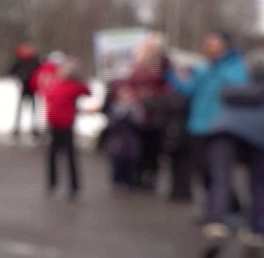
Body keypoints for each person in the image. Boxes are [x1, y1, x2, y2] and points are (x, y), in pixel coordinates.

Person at [166, 31, 248, 210]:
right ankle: (218, 207)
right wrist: (169, 72)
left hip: (220, 127)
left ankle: (227, 208)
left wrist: (217, 68)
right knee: (202, 171)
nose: (207, 47)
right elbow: (189, 89)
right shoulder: (203, 67)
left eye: (212, 43)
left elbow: (238, 87)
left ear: (225, 45)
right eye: (206, 43)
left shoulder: (235, 66)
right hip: (197, 126)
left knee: (218, 171)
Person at [199, 52, 264, 258]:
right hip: (258, 137)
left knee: (221, 178)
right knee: (258, 184)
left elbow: (224, 93)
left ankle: (217, 222)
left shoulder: (236, 89)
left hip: (224, 132)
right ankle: (256, 231)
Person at [124, 34, 171, 191]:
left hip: (155, 112)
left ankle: (150, 177)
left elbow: (169, 85)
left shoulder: (163, 65)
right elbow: (129, 83)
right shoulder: (137, 66)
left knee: (153, 147)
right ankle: (137, 176)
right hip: (138, 112)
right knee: (137, 147)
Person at [43, 58, 91, 200]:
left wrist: (76, 75)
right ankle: (52, 184)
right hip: (54, 124)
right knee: (52, 155)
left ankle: (74, 187)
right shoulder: (55, 84)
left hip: (66, 125)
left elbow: (87, 91)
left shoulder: (73, 86)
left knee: (70, 156)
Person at [103, 84, 144, 189]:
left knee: (129, 160)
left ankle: (128, 180)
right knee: (117, 159)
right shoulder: (114, 107)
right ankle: (118, 180)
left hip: (130, 138)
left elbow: (139, 122)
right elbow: (110, 123)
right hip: (117, 138)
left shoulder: (134, 107)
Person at [9, 42, 42, 138]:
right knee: (20, 110)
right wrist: (20, 75)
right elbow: (12, 70)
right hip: (24, 87)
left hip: (32, 88)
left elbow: (41, 70)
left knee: (34, 110)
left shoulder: (35, 61)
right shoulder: (20, 61)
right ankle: (17, 128)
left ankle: (34, 129)